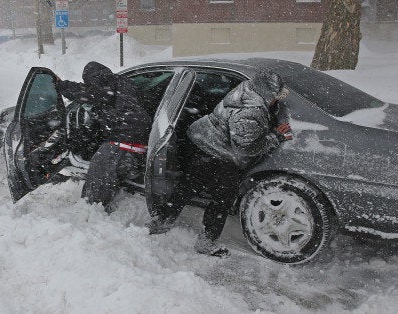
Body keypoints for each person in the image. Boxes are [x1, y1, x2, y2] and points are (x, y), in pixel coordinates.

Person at [146, 68, 293, 257]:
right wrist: (275, 137)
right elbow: (244, 148)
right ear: (266, 93)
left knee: (188, 186)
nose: (277, 100)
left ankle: (162, 221)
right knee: (222, 200)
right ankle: (206, 241)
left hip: (203, 141)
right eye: (275, 96)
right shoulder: (251, 110)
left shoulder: (246, 90)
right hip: (220, 153)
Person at [56, 61, 152, 212]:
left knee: (101, 165)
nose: (88, 84)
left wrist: (61, 85)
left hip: (126, 134)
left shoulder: (105, 88)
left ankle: (92, 207)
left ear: (93, 78)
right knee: (111, 158)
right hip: (143, 134)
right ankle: (126, 169)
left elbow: (85, 93)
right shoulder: (123, 82)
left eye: (88, 81)